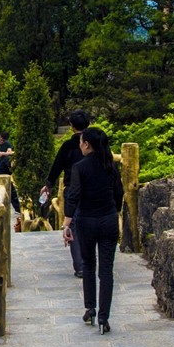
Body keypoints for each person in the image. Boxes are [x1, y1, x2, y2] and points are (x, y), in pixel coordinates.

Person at [61, 127, 123, 334]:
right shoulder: (111, 166)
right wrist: (114, 212)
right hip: (108, 220)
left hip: (86, 221)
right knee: (106, 270)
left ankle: (91, 308)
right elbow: (119, 193)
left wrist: (67, 224)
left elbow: (73, 196)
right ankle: (104, 317)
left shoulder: (80, 167)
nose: (80, 145)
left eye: (81, 142)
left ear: (87, 144)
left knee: (88, 264)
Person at [40, 110, 90, 277]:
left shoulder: (68, 145)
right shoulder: (96, 143)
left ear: (71, 126)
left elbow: (57, 166)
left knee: (73, 226)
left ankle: (81, 266)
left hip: (72, 189)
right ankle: (90, 262)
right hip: (93, 189)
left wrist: (48, 184)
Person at [0, 131, 21, 222]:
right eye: (1, 139)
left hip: (4, 166)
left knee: (9, 188)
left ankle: (17, 208)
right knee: (1, 188)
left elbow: (11, 152)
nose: (2, 141)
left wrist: (3, 153)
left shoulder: (7, 144)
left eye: (3, 140)